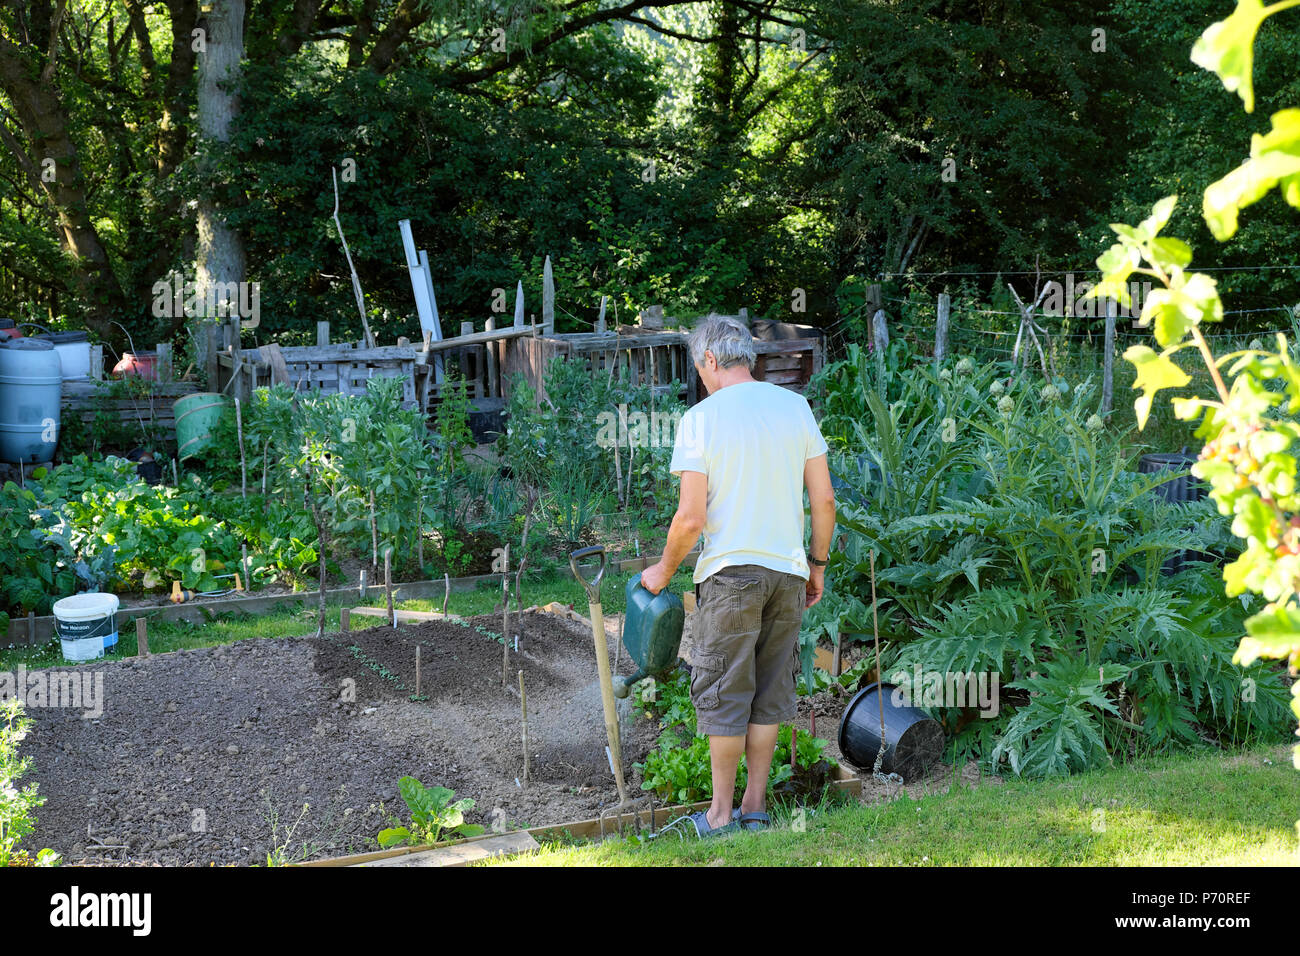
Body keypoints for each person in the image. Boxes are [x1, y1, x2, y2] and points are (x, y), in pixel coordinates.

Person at [639, 314, 835, 836]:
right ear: (744, 356)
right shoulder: (796, 407)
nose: (700, 378)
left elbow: (691, 518)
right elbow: (824, 501)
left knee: (725, 693)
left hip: (729, 578)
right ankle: (755, 808)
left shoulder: (701, 419)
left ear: (708, 360)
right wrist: (816, 566)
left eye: (699, 368)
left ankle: (720, 815)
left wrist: (662, 569)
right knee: (770, 691)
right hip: (788, 574)